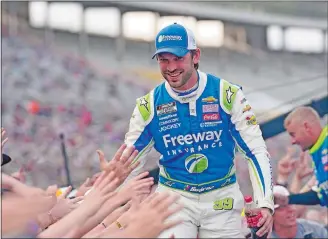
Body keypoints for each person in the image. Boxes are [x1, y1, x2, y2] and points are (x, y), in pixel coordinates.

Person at [122, 23, 274, 238]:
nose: (171, 67)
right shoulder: (148, 106)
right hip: (174, 198)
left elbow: (255, 150)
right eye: (164, 60)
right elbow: (128, 162)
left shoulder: (227, 95)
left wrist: (265, 202)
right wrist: (106, 200)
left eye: (178, 58)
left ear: (195, 56)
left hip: (222, 198)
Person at [276, 107, 327, 207]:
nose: (292, 141)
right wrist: (288, 199)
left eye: (293, 134)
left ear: (306, 127)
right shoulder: (318, 153)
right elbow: (321, 195)